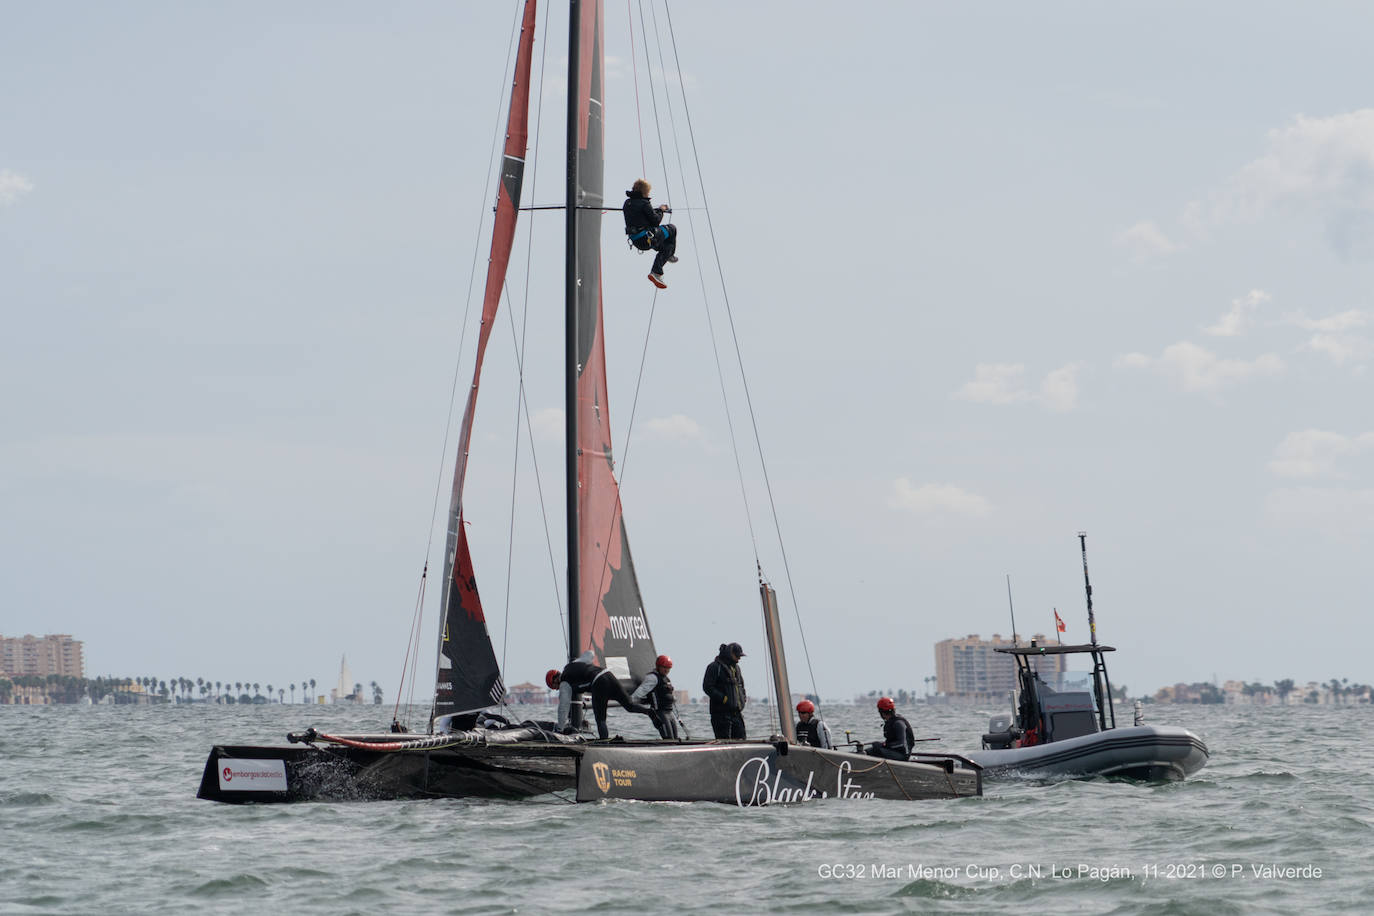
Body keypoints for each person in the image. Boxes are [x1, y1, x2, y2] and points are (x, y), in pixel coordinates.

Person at [547, 649, 652, 740]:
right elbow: (590, 654)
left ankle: (604, 742)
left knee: (601, 719)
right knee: (629, 705)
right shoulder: (573, 663)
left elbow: (563, 708)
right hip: (608, 674)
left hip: (598, 683)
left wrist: (560, 729)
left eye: (555, 687)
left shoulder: (564, 684)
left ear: (555, 681)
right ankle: (649, 712)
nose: (557, 689)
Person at [623, 178, 678, 289]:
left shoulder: (627, 203)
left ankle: (659, 267)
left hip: (637, 241)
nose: (648, 194)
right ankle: (665, 260)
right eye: (648, 192)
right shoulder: (645, 203)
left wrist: (654, 210)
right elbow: (656, 221)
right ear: (644, 192)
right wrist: (661, 210)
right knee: (672, 229)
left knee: (666, 248)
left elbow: (641, 217)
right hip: (647, 238)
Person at [630, 654, 683, 739]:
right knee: (669, 739)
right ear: (658, 666)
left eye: (668, 668)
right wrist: (630, 700)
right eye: (664, 667)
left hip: (670, 712)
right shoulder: (652, 677)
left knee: (675, 738)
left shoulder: (666, 678)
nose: (667, 670)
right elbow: (640, 692)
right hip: (660, 713)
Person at [702, 642, 747, 739]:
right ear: (730, 654)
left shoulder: (737, 669)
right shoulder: (714, 667)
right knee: (724, 740)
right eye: (737, 656)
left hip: (736, 714)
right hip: (721, 715)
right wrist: (724, 699)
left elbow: (741, 686)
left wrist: (743, 699)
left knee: (742, 739)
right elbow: (707, 687)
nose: (739, 659)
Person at [865, 696, 914, 760]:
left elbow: (901, 744)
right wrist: (882, 745)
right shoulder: (890, 722)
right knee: (867, 751)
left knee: (875, 750)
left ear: (882, 712)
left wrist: (883, 745)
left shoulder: (898, 723)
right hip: (894, 751)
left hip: (903, 755)